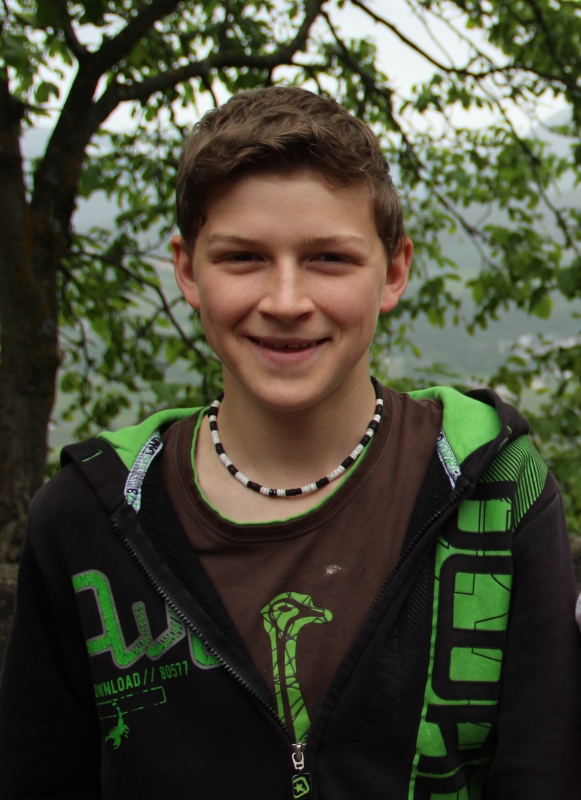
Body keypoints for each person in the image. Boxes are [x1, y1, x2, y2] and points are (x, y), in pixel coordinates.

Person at [0, 86, 580, 800]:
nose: (284, 301)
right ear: (187, 270)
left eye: (328, 259)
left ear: (394, 271)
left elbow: (543, 769)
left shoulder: (498, 490)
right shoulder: (88, 517)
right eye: (242, 257)